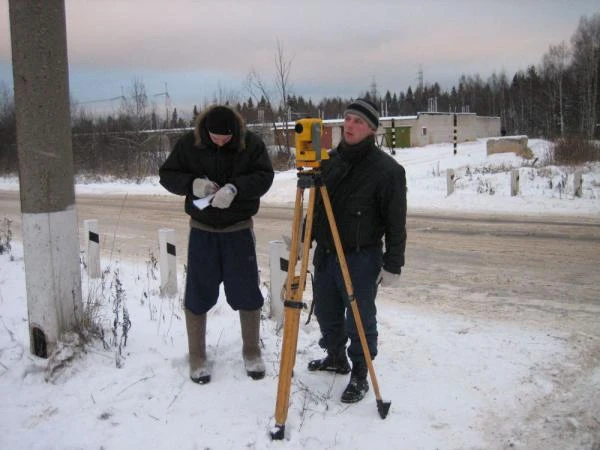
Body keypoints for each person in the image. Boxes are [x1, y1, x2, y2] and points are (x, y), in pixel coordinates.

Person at [159, 105, 274, 384]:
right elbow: (167, 175)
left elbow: (264, 176)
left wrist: (236, 188)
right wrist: (193, 184)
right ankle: (197, 356)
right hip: (202, 231)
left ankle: (251, 350)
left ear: (235, 131)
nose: (221, 141)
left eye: (226, 137)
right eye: (215, 137)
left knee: (246, 290)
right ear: (205, 131)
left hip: (238, 231)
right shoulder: (189, 143)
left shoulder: (251, 144)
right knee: (198, 292)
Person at [307, 99, 407, 403]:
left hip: (360, 256)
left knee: (360, 319)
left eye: (358, 122)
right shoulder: (328, 160)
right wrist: (304, 237)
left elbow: (396, 223)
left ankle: (361, 372)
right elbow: (317, 209)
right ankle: (336, 356)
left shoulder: (388, 170)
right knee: (326, 311)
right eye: (347, 119)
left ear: (372, 130)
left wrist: (393, 264)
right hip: (326, 253)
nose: (350, 125)